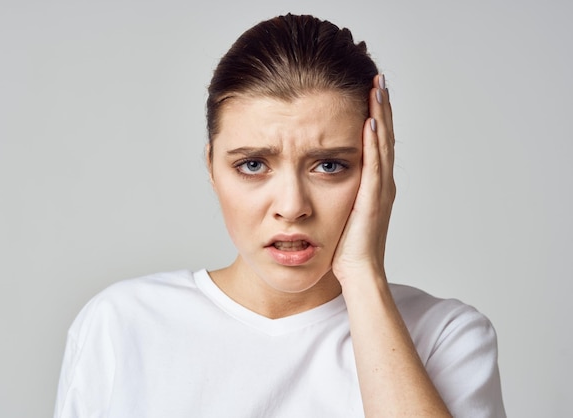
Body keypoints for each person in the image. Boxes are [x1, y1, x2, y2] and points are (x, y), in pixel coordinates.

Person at [53, 14, 506, 417]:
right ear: (212, 166)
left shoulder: (445, 336)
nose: (291, 206)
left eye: (330, 165)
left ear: (376, 172)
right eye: (253, 165)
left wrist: (364, 275)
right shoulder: (121, 324)